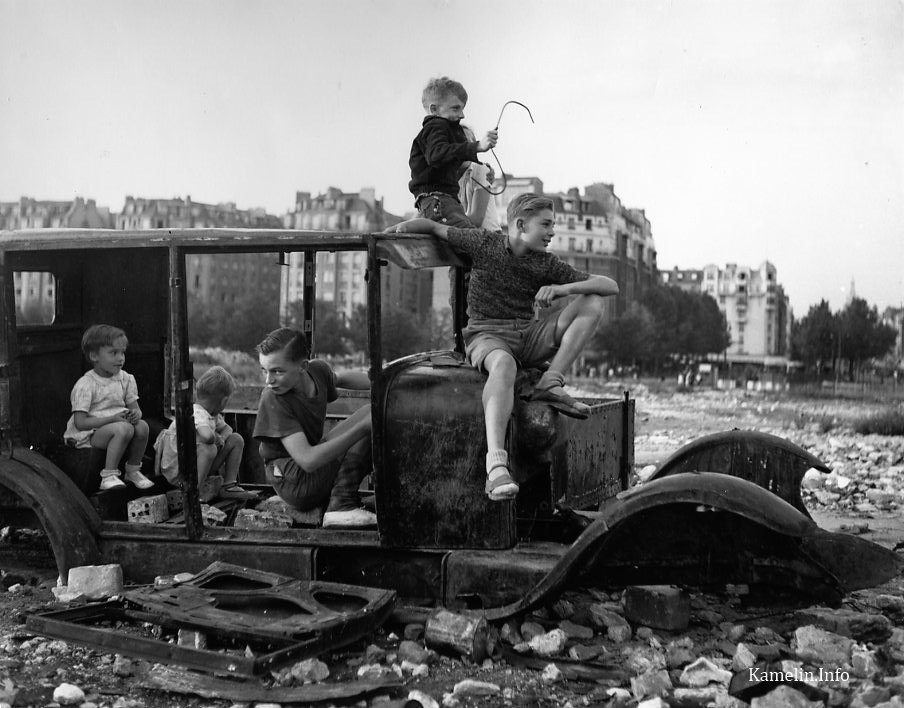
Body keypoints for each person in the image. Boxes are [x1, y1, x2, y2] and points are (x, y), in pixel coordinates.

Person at [387, 194, 619, 502]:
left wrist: (564, 288)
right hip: (487, 335)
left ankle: (552, 381)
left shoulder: (545, 262)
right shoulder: (484, 244)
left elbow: (609, 285)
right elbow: (433, 226)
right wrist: (400, 229)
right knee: (504, 365)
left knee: (592, 301)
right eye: (546, 225)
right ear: (521, 225)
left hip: (527, 334)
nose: (552, 233)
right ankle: (496, 467)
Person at [252, 328, 376, 528]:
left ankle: (347, 497)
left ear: (303, 366)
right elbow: (308, 460)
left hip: (311, 469)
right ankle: (341, 505)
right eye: (264, 370)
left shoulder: (317, 371)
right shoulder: (273, 398)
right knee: (367, 422)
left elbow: (340, 378)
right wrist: (362, 428)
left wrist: (384, 382)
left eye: (277, 371)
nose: (268, 380)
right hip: (293, 481)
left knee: (373, 411)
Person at [63, 324, 153, 491]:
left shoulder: (125, 379)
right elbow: (80, 423)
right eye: (113, 353)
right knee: (123, 429)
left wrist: (135, 414)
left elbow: (137, 408)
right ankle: (109, 475)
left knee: (143, 427)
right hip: (92, 435)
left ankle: (132, 470)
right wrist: (112, 419)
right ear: (94, 356)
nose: (120, 358)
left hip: (118, 425)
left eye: (122, 352)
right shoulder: (86, 384)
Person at [408, 76, 498, 227]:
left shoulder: (439, 129)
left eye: (462, 108)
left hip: (441, 200)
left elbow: (449, 158)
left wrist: (484, 168)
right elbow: (437, 154)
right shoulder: (436, 126)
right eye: (456, 108)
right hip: (439, 200)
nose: (462, 115)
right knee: (468, 237)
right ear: (434, 109)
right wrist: (477, 146)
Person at [155, 365, 256, 500]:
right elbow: (207, 436)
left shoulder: (211, 415)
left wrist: (222, 438)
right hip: (179, 472)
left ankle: (228, 485)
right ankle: (193, 494)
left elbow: (228, 429)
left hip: (195, 468)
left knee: (236, 439)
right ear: (224, 401)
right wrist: (217, 439)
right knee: (210, 449)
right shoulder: (196, 412)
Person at [459, 126, 502, 232]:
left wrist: (441, 223)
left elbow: (476, 220)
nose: (464, 147)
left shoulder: (480, 170)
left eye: (468, 144)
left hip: (490, 236)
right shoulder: (448, 177)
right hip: (467, 236)